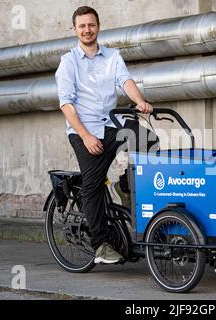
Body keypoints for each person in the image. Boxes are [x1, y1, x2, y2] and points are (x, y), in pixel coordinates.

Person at [55, 6, 155, 264]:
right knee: (93, 185)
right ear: (75, 30)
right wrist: (86, 136)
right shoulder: (69, 62)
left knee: (149, 142)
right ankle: (100, 244)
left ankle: (125, 184)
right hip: (84, 130)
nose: (87, 30)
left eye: (91, 25)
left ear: (98, 26)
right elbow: (66, 104)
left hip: (112, 123)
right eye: (82, 26)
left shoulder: (112, 56)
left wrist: (140, 101)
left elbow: (125, 81)